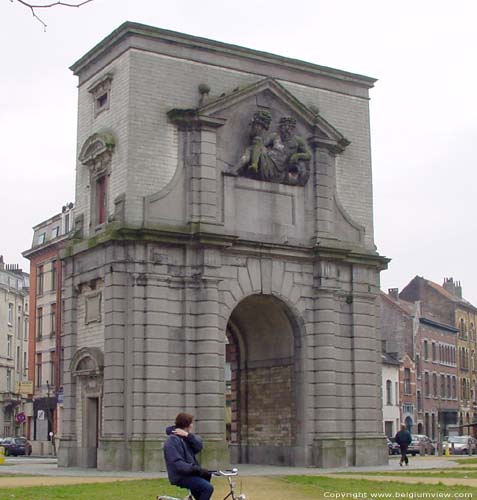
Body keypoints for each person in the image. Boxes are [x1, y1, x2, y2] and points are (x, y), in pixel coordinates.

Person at [163, 413, 213, 500]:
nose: (192, 425)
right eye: (191, 423)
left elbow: (198, 447)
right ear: (189, 425)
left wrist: (187, 436)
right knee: (207, 488)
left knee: (203, 489)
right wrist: (195, 469)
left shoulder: (185, 438)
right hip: (181, 476)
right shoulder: (172, 441)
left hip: (189, 473)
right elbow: (177, 463)